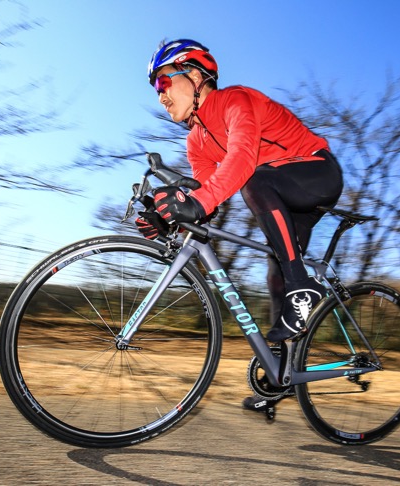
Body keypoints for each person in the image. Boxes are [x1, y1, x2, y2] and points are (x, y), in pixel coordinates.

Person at [138, 39, 343, 348]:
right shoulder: (196, 142)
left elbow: (242, 160)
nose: (161, 96)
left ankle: (303, 286)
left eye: (164, 81)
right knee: (278, 275)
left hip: (317, 172)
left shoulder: (235, 100)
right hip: (284, 197)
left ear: (194, 77)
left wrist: (196, 202)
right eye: (156, 89)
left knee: (255, 179)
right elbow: (207, 197)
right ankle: (281, 376)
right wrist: (169, 217)